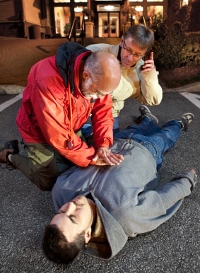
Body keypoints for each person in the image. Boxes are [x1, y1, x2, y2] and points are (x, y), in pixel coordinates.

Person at [42, 106, 197, 264]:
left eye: (61, 211)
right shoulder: (125, 215)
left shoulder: (61, 190)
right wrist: (187, 180)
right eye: (73, 218)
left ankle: (148, 119)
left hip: (114, 143)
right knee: (167, 135)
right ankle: (178, 123)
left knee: (139, 126)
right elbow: (162, 201)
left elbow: (75, 161)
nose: (69, 206)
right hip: (149, 151)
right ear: (87, 235)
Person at [0, 42, 123, 191]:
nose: (98, 98)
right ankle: (9, 156)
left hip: (68, 125)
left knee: (76, 163)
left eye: (103, 94)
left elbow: (103, 112)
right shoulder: (47, 80)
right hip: (36, 129)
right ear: (85, 75)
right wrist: (92, 157)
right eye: (97, 93)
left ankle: (55, 158)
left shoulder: (98, 78)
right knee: (48, 182)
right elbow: (58, 135)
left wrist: (103, 145)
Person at [83, 24, 163, 135]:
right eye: (128, 50)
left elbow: (152, 100)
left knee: (112, 144)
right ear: (122, 41)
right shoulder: (96, 52)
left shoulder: (141, 69)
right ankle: (86, 128)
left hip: (109, 115)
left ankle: (146, 118)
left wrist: (149, 75)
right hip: (83, 112)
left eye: (137, 54)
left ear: (145, 54)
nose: (130, 58)